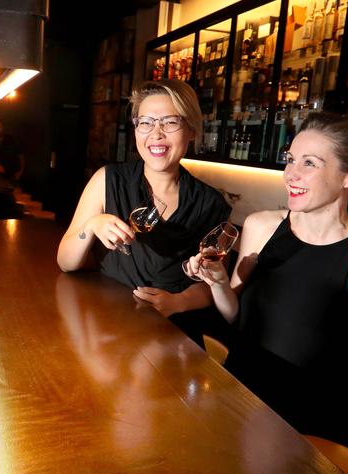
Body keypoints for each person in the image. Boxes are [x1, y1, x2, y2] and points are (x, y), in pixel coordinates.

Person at [184, 112, 348, 474]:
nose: (292, 173)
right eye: (291, 159)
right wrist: (219, 284)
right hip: (240, 402)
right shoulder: (260, 226)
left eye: (310, 163)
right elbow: (234, 318)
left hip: (313, 421)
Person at [57, 79, 231, 345]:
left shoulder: (211, 203)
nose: (156, 133)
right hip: (107, 325)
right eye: (146, 122)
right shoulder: (108, 180)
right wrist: (92, 225)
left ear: (192, 130)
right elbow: (66, 262)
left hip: (173, 335)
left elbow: (215, 284)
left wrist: (177, 302)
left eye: (170, 122)